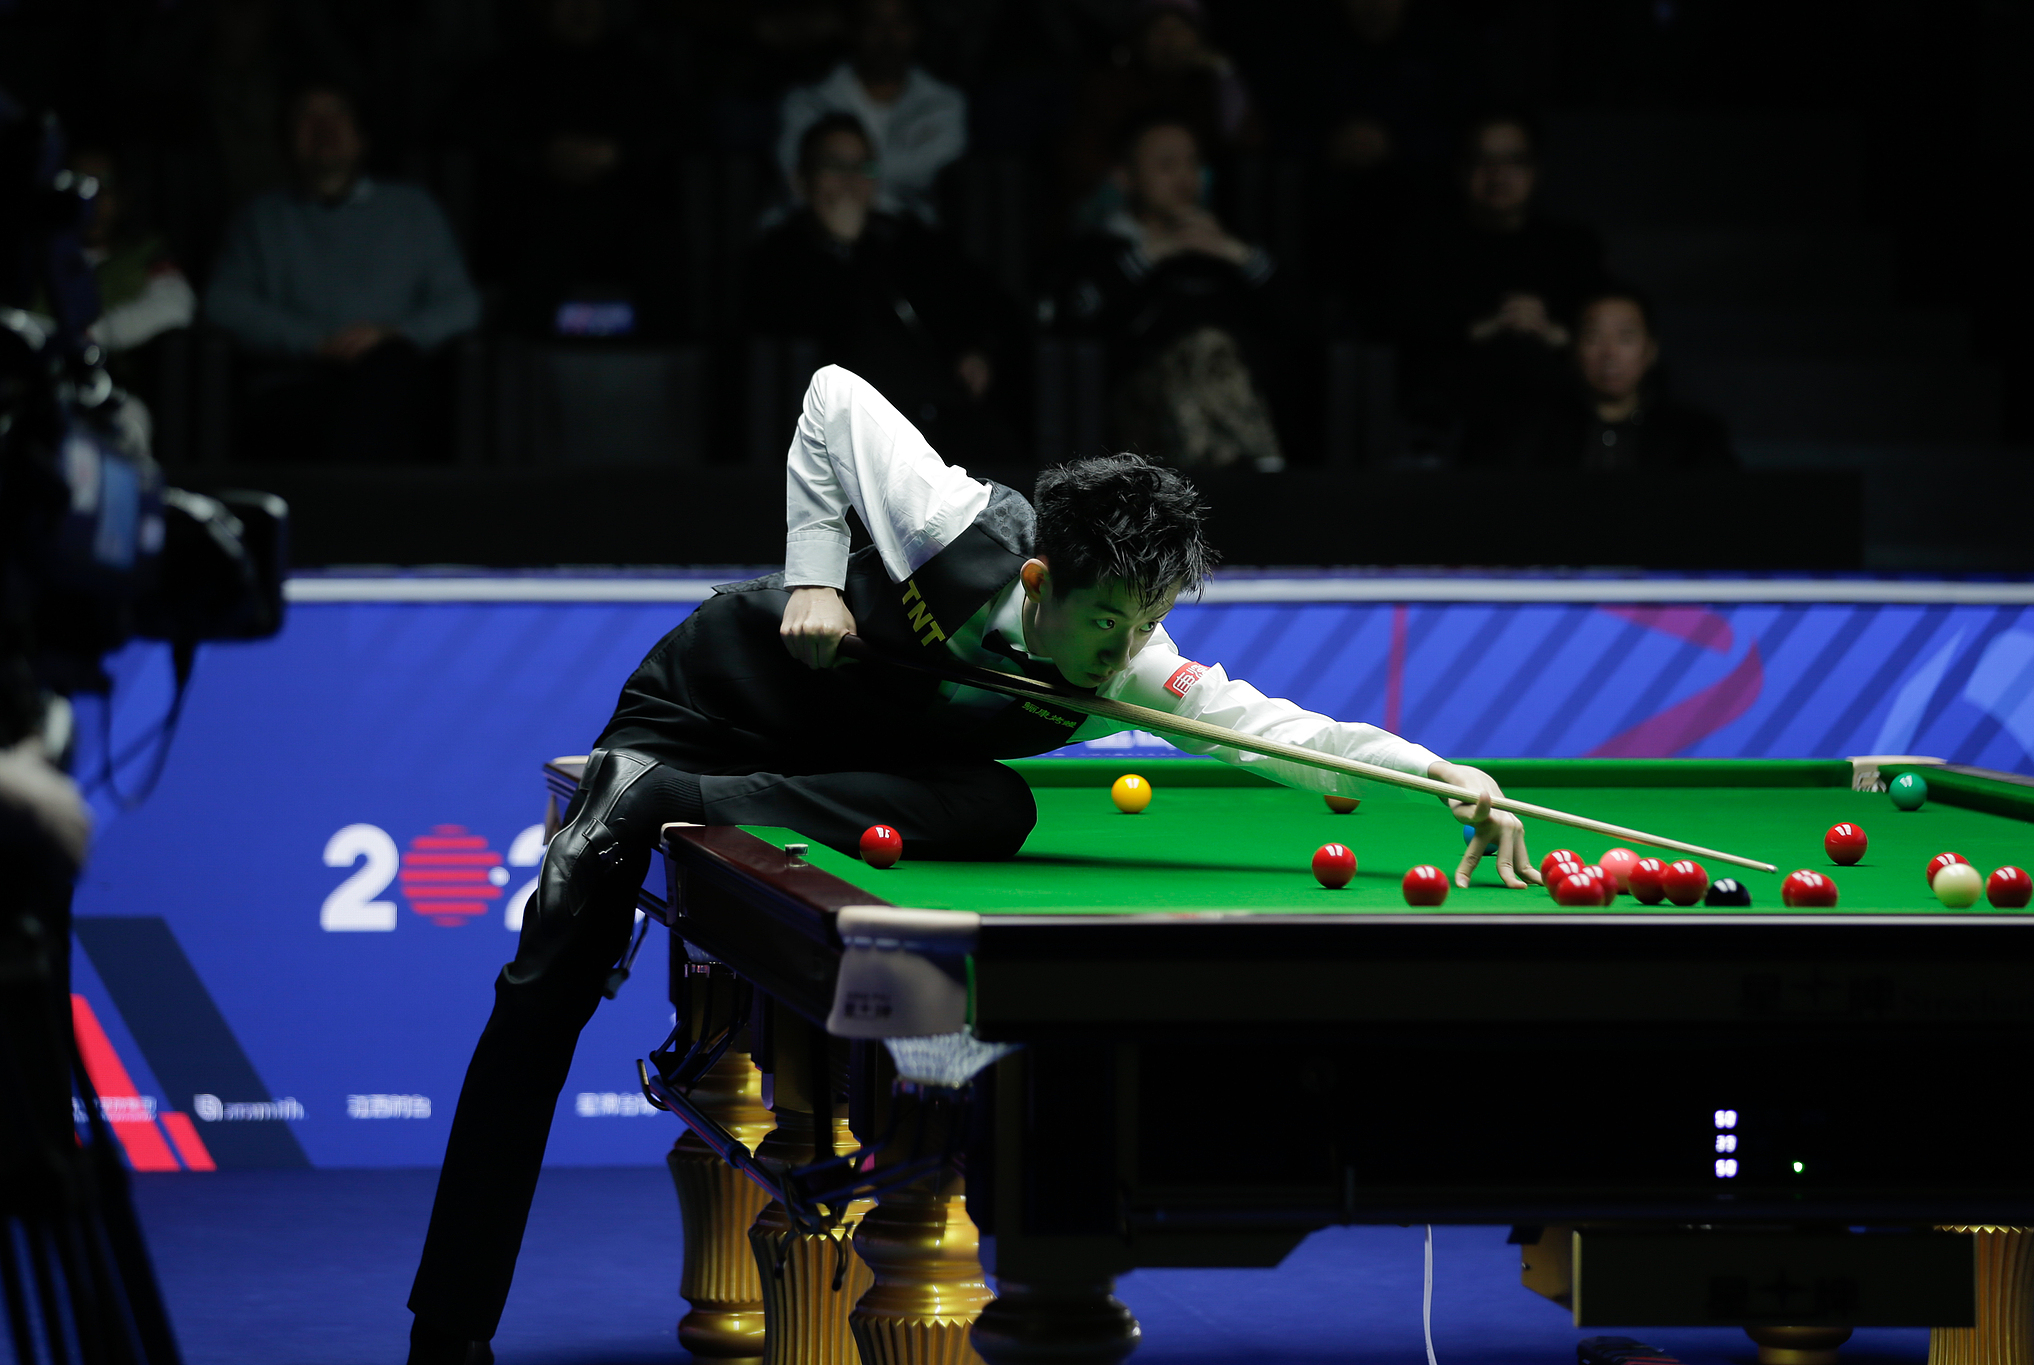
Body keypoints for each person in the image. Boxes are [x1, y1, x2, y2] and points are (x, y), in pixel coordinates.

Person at [404, 364, 1540, 1364]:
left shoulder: (1133, 662)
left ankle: (660, 803)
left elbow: (1282, 734)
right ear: (1038, 580)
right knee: (542, 995)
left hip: (812, 774)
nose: (1123, 653)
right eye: (1105, 622)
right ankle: (447, 1329)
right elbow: (832, 397)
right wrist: (814, 576)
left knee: (996, 806)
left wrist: (1440, 776)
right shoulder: (954, 524)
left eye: (1143, 625)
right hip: (713, 707)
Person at [204, 83, 480, 463]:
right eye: (307, 116)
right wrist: (317, 342)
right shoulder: (261, 217)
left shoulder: (413, 209)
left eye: (337, 113)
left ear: (362, 138)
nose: (324, 127)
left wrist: (392, 336)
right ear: (286, 142)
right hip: (298, 382)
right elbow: (223, 303)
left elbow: (462, 304)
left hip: (396, 379)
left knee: (390, 371)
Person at [746, 113, 1023, 459]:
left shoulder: (903, 238)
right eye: (835, 166)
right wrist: (843, 249)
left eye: (863, 167)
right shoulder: (779, 252)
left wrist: (976, 348)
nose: (851, 181)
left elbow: (985, 300)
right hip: (844, 428)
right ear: (801, 179)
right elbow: (805, 326)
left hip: (932, 413)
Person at [1055, 114, 1288, 469]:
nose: (1184, 176)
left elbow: (1297, 320)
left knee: (1213, 352)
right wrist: (1153, 253)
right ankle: (1265, 467)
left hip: (1224, 405)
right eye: (1166, 165)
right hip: (1141, 415)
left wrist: (1235, 253)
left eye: (1193, 163)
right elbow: (1076, 318)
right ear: (1125, 177)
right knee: (1202, 350)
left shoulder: (1226, 248)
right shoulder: (1098, 249)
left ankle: (1229, 477)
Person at [1385, 112, 1603, 462]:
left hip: (1557, 397)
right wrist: (1483, 328)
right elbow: (1399, 319)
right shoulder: (1425, 243)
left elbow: (1604, 317)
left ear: (1536, 170)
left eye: (1514, 161)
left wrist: (1555, 333)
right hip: (1451, 401)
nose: (1498, 174)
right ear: (1461, 170)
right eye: (1483, 160)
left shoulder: (1573, 247)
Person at [464, 0, 673, 335]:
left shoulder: (637, 70)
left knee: (659, 246)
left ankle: (665, 360)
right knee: (540, 251)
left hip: (624, 216)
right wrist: (541, 155)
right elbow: (476, 132)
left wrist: (616, 154)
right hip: (537, 216)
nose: (581, 8)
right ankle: (513, 360)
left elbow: (671, 133)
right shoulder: (509, 70)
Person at [1062, 0, 1261, 221]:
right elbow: (1082, 161)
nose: (1170, 41)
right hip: (1123, 207)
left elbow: (1248, 140)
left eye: (1179, 29)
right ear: (1140, 39)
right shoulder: (1110, 86)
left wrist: (1224, 73)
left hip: (1195, 212)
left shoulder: (1206, 86)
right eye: (1158, 30)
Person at [776, 0, 967, 224]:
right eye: (874, 23)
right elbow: (794, 175)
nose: (888, 36)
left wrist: (839, 170)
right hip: (814, 225)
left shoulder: (943, 104)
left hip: (906, 230)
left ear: (917, 29)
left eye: (899, 22)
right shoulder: (808, 101)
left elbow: (934, 174)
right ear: (853, 29)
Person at [1535, 286, 1734, 471]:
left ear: (1651, 350)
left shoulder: (1694, 436)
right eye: (1593, 337)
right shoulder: (1541, 430)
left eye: (1626, 337)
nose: (1610, 354)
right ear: (1575, 349)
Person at [68, 147, 196, 364]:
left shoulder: (145, 256)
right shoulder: (36, 257)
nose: (93, 200)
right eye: (80, 185)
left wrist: (88, 336)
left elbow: (176, 307)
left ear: (123, 197)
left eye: (104, 186)